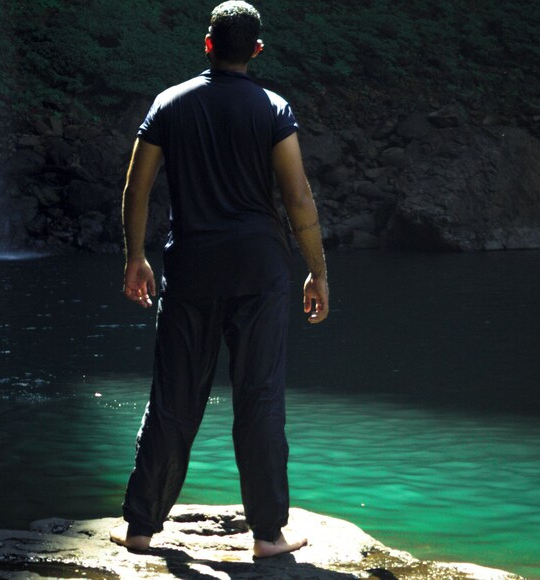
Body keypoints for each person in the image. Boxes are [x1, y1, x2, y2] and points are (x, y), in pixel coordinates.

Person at [111, 1, 329, 559]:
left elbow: (137, 188)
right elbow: (298, 197)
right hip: (260, 272)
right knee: (259, 399)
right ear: (255, 50)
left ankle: (140, 527)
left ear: (208, 44)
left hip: (190, 271)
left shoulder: (170, 104)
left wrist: (135, 256)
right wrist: (318, 271)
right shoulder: (273, 109)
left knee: (173, 398)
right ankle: (267, 536)